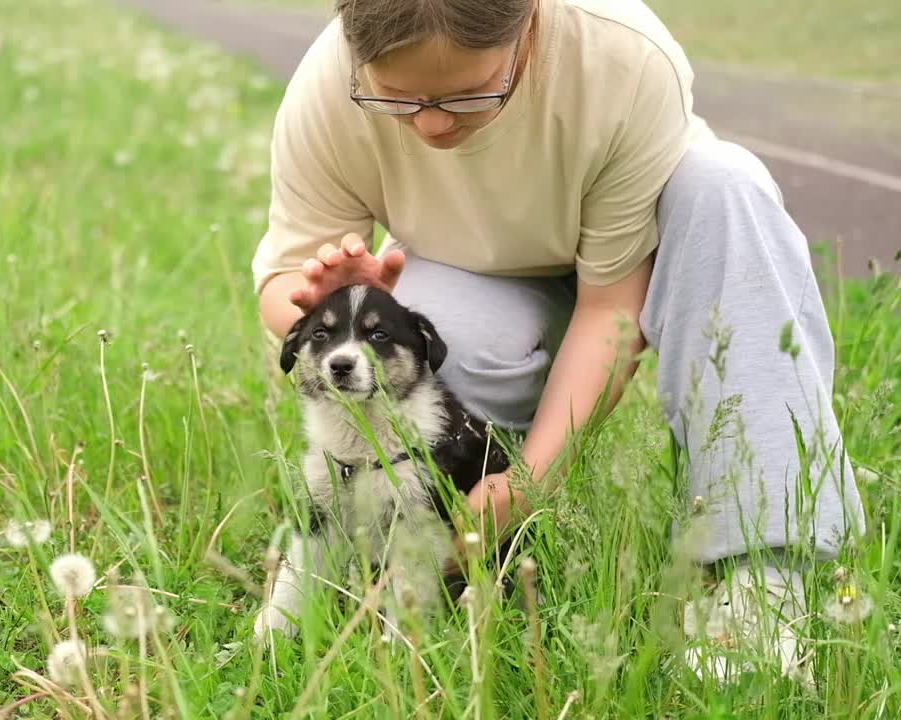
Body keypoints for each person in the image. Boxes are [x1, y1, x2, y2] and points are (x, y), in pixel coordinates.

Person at [250, 0, 865, 683]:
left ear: (530, 24)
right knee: (445, 345)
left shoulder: (623, 57)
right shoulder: (330, 82)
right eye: (398, 100)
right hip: (484, 274)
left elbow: (608, 310)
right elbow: (283, 282)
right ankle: (448, 561)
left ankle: (765, 576)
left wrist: (534, 481)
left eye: (467, 94)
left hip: (657, 244)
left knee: (728, 187)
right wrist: (325, 299)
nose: (430, 122)